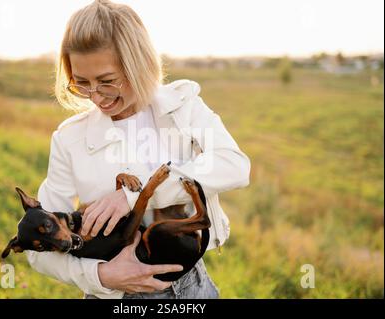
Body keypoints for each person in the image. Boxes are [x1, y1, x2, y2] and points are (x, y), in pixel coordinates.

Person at [25, 0, 250, 299]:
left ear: (138, 64)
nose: (96, 97)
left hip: (194, 286)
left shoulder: (183, 105)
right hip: (116, 295)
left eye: (107, 82)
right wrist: (102, 275)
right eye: (81, 83)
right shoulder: (69, 138)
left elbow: (233, 165)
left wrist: (134, 195)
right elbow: (38, 252)